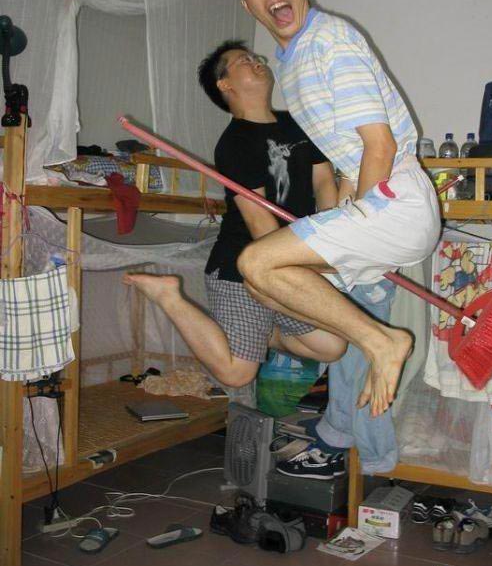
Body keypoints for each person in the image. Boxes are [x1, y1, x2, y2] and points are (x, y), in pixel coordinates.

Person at [224, 0, 441, 416]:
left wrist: (357, 217)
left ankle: (383, 342)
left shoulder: (329, 41)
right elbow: (347, 161)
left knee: (256, 262)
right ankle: (370, 339)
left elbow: (379, 145)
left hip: (396, 201)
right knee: (263, 283)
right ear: (247, 4)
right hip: (380, 201)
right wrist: (340, 211)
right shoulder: (292, 62)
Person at [123, 40, 345, 391]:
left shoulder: (298, 124)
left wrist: (330, 240)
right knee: (237, 374)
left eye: (256, 57)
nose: (257, 61)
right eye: (244, 60)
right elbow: (260, 225)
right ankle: (169, 295)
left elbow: (324, 181)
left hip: (289, 261)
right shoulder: (234, 144)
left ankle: (260, 332)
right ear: (225, 84)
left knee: (331, 346)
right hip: (241, 266)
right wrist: (310, 263)